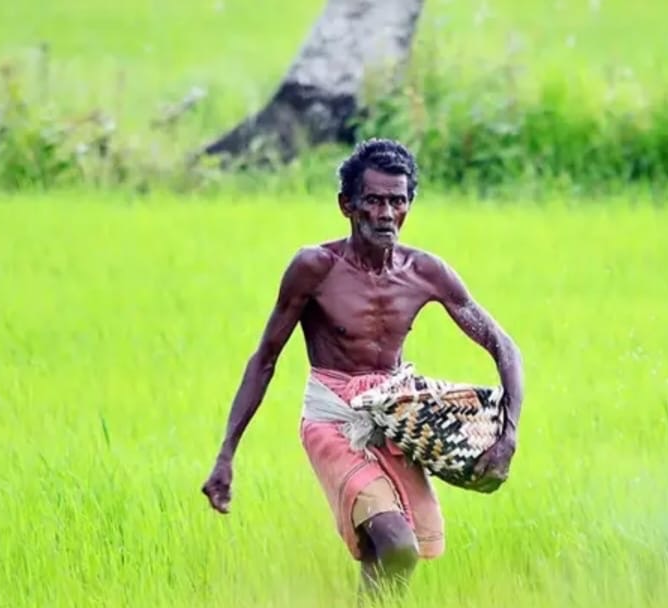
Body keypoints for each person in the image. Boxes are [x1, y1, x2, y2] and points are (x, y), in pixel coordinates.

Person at [201, 138, 524, 601]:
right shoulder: (315, 268)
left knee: (382, 553)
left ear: (409, 204)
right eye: (373, 200)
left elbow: (503, 346)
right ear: (346, 205)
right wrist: (226, 454)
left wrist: (507, 436)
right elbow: (265, 358)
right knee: (398, 546)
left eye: (397, 201)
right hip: (333, 420)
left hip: (394, 418)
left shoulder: (423, 271)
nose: (386, 213)